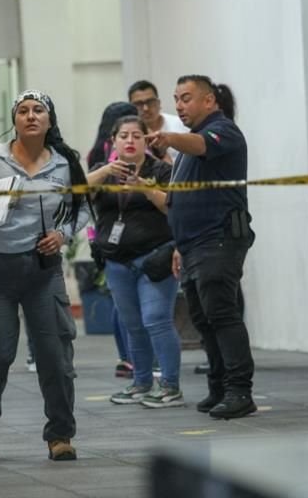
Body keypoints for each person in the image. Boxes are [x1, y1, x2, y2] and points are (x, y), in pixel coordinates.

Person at [0, 89, 90, 462]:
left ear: (48, 119)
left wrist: (63, 235)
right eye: (23, 111)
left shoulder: (64, 164)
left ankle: (60, 435)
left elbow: (83, 209)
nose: (30, 116)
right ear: (14, 120)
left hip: (43, 272)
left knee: (55, 357)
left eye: (38, 110)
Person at [147, 75, 256, 420]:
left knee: (222, 315)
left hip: (219, 239)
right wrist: (179, 245)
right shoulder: (184, 152)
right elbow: (177, 202)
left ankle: (240, 391)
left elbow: (201, 145)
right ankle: (219, 387)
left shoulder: (222, 131)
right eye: (176, 99)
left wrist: (169, 138)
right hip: (193, 244)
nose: (179, 105)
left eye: (187, 98)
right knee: (203, 319)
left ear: (209, 101)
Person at [88, 115, 183, 408]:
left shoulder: (162, 170)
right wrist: (105, 170)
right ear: (113, 141)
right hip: (117, 261)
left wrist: (143, 186)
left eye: (136, 136)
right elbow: (75, 192)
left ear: (146, 141)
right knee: (132, 324)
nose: (130, 141)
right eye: (124, 136)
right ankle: (141, 382)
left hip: (155, 258)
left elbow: (174, 208)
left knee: (156, 320)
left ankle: (169, 386)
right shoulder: (102, 172)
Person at [86, 101, 140, 380]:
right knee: (123, 303)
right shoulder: (100, 157)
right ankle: (129, 357)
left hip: (118, 234)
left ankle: (130, 358)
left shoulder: (144, 153)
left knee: (128, 304)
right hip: (110, 236)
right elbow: (85, 191)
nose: (130, 138)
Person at [128, 80, 188, 163]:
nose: (146, 108)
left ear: (159, 103)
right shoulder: (128, 135)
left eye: (150, 102)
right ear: (130, 107)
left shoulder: (182, 125)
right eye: (139, 104)